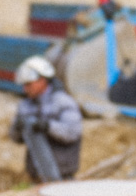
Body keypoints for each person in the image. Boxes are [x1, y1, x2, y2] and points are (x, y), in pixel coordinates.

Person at [9, 55, 83, 183]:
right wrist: (17, 128)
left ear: (42, 80)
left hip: (63, 175)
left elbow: (73, 132)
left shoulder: (63, 103)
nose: (25, 89)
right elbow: (15, 138)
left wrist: (48, 127)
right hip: (36, 176)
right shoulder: (25, 105)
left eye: (28, 84)